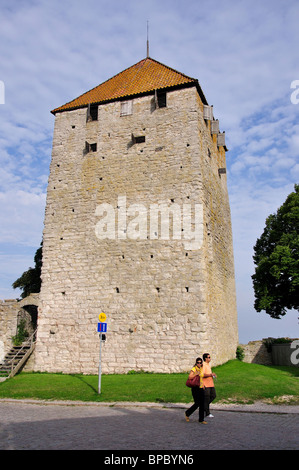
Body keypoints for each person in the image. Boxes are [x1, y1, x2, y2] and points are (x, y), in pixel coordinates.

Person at [185, 357, 207, 424]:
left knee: (202, 404)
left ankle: (201, 419)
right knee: (197, 403)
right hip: (195, 388)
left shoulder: (201, 369)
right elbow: (189, 377)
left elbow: (201, 378)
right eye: (198, 362)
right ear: (196, 363)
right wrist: (195, 374)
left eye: (200, 363)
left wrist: (203, 385)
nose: (199, 364)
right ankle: (187, 413)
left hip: (200, 387)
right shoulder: (194, 369)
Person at [202, 353, 217, 418]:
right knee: (207, 398)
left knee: (213, 396)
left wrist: (212, 375)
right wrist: (210, 375)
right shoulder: (203, 365)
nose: (210, 358)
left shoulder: (208, 365)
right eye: (209, 357)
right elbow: (202, 375)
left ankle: (203, 406)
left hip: (211, 384)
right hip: (206, 384)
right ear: (205, 358)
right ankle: (207, 413)